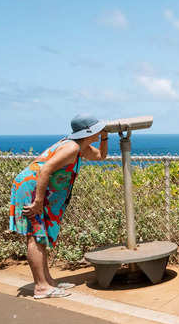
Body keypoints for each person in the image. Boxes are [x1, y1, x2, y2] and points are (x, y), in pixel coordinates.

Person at [9, 114, 109, 299]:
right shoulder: (71, 148)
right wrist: (38, 202)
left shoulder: (80, 147)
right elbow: (45, 170)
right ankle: (41, 287)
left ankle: (48, 282)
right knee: (36, 235)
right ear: (89, 131)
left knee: (41, 235)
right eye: (98, 129)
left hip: (39, 189)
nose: (100, 131)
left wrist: (105, 137)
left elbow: (101, 156)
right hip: (32, 188)